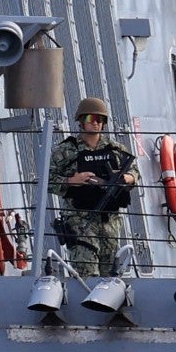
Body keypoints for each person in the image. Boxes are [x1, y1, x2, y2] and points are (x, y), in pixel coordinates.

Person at [49, 96, 140, 277]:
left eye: (100, 120)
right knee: (87, 271)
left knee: (108, 275)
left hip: (109, 221)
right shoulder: (66, 150)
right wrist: (71, 181)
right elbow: (47, 180)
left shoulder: (115, 149)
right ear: (81, 122)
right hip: (80, 220)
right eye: (91, 119)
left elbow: (135, 172)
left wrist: (125, 178)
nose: (95, 124)